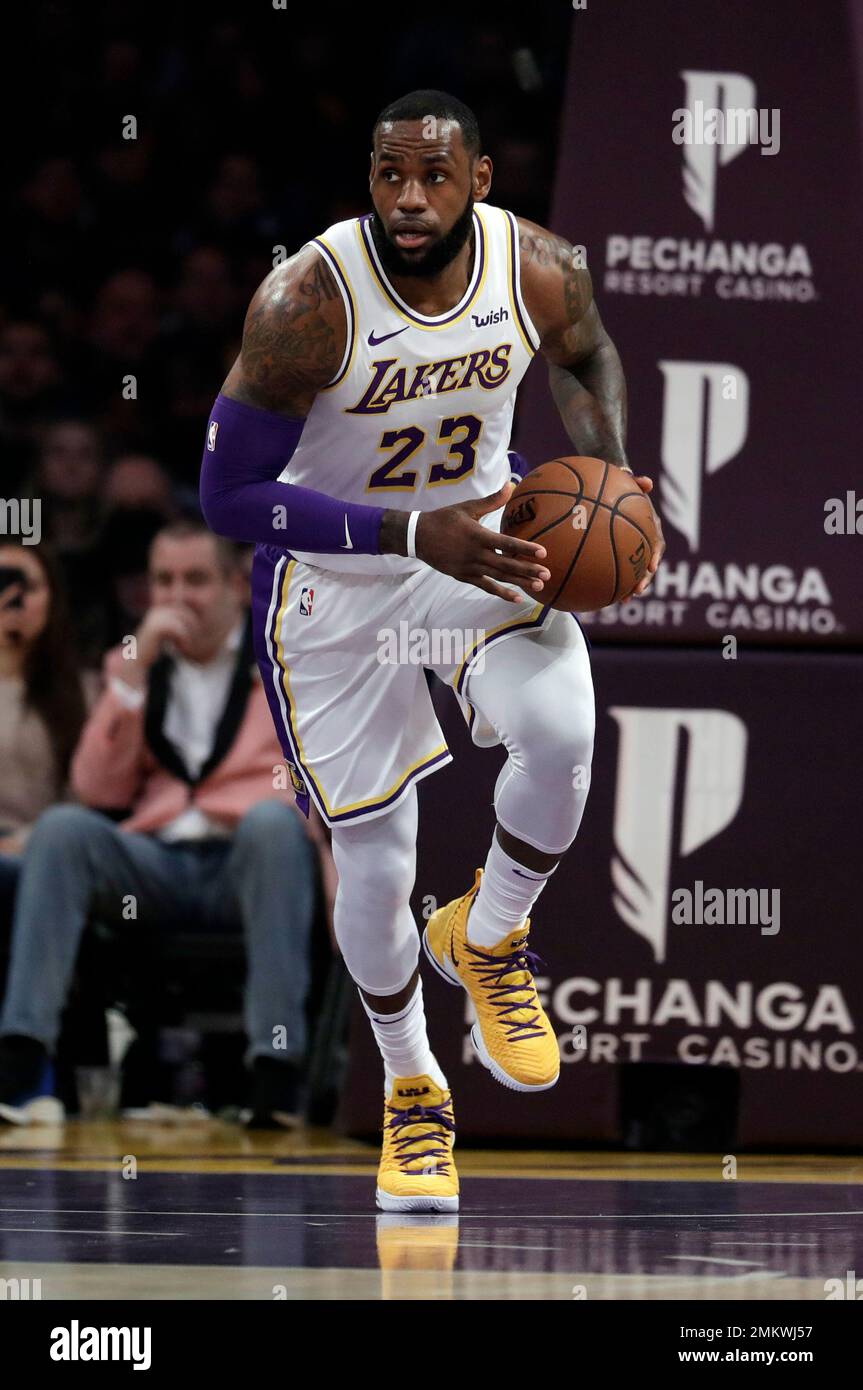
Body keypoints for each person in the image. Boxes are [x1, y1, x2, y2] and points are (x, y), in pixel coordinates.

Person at [199, 90, 665, 1211]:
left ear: (480, 181)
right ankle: (413, 1091)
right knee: (376, 861)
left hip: (482, 542)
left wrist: (607, 467)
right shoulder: (305, 301)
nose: (409, 200)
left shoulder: (540, 268)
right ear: (369, 178)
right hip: (331, 585)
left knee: (559, 732)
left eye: (433, 176)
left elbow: (586, 352)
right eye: (388, 175)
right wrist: (409, 534)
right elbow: (226, 498)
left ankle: (490, 933)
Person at [0, 520, 335, 1128]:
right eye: (164, 581)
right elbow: (96, 789)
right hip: (154, 869)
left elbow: (317, 784)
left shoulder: (285, 657)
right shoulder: (132, 666)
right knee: (63, 830)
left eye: (196, 580)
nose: (178, 596)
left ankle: (275, 1075)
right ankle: (24, 1070)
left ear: (237, 585)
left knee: (271, 822)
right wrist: (131, 681)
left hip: (250, 864)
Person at [0, 542, 87, 928]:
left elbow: (90, 799)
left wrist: (26, 842)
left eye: (28, 587)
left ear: (52, 600)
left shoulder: (89, 692)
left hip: (43, 858)